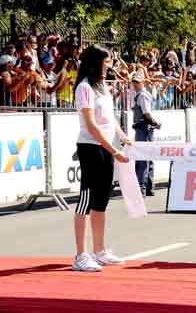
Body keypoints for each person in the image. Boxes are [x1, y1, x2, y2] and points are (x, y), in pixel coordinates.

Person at [72, 44, 131, 272]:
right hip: (91, 147)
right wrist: (113, 150)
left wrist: (122, 136)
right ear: (96, 62)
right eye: (106, 61)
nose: (109, 65)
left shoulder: (102, 87)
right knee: (86, 200)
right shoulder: (84, 87)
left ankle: (100, 250)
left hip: (106, 146)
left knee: (101, 201)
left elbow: (110, 118)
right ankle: (80, 255)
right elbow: (91, 124)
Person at [132, 72, 161, 197]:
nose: (135, 84)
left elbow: (146, 114)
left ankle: (142, 188)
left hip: (144, 127)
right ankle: (148, 187)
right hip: (144, 127)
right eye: (134, 82)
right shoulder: (141, 94)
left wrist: (154, 123)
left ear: (142, 82)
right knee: (147, 156)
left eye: (137, 82)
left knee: (143, 157)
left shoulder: (142, 95)